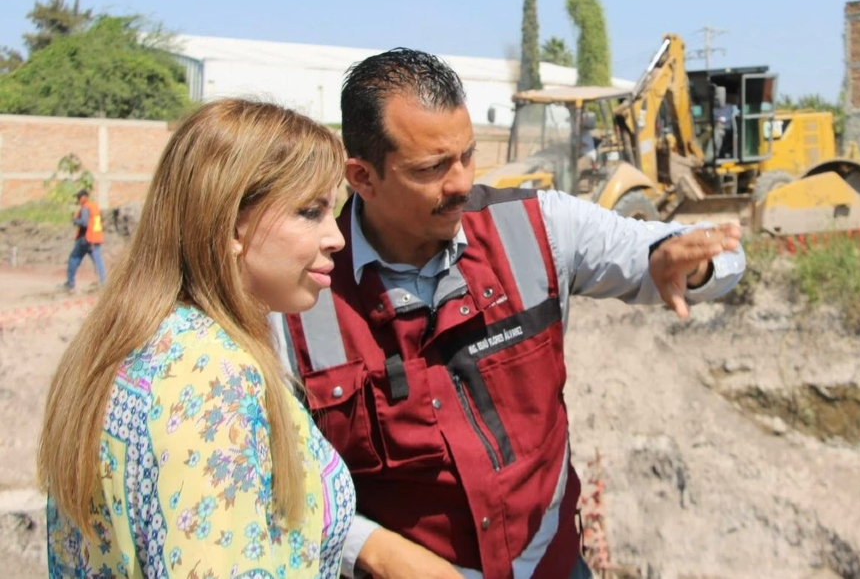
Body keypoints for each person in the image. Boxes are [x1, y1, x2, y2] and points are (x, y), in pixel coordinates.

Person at [278, 48, 745, 579]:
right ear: (362, 177)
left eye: (467, 156)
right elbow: (284, 476)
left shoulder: (538, 226)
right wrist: (375, 551)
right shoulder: (297, 302)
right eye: (431, 168)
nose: (459, 183)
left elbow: (713, 253)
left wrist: (686, 264)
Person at [39, 99, 356, 578]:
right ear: (230, 223)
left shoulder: (129, 339)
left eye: (332, 210)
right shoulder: (213, 377)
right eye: (310, 211)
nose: (335, 237)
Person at [63, 187, 106, 292]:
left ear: (84, 197)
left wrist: (75, 220)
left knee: (74, 258)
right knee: (98, 260)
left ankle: (70, 283)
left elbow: (84, 222)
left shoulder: (86, 207)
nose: (77, 199)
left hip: (86, 239)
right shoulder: (94, 206)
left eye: (79, 197)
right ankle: (103, 282)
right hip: (95, 239)